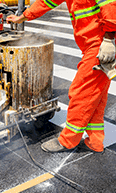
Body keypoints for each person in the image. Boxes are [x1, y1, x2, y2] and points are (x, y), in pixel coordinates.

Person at [8, 0, 116, 153]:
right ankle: (95, 142)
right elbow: (46, 2)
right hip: (93, 45)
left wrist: (109, 39)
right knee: (95, 98)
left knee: (80, 94)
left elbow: (110, 5)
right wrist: (24, 16)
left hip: (101, 46)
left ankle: (67, 141)